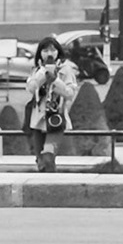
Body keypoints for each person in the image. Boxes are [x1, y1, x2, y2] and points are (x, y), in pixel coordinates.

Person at [23, 36, 80, 172]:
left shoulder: (65, 69)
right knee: (41, 161)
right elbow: (30, 88)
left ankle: (51, 185)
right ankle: (43, 187)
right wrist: (43, 74)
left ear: (58, 52)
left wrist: (55, 80)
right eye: (45, 50)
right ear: (40, 53)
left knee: (48, 155)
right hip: (38, 121)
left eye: (53, 50)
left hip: (56, 119)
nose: (49, 54)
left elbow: (70, 93)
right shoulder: (37, 70)